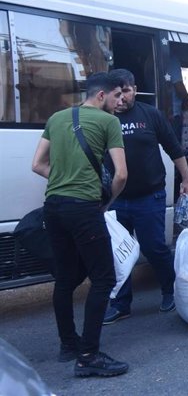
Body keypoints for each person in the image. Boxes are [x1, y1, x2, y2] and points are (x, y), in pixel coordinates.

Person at [31, 72, 129, 377]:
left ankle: (68, 345)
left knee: (65, 277)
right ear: (101, 96)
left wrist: (64, 182)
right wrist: (105, 203)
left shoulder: (57, 118)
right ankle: (88, 355)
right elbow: (122, 175)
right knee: (103, 279)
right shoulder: (108, 122)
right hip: (83, 209)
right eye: (117, 96)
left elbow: (37, 164)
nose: (120, 102)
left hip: (54, 207)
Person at [102, 68, 188, 324]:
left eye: (127, 92)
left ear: (134, 90)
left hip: (149, 196)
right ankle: (121, 303)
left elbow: (174, 148)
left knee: (154, 247)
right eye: (117, 93)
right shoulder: (103, 116)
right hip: (114, 200)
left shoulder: (149, 114)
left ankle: (169, 290)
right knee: (117, 253)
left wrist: (187, 179)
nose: (122, 99)